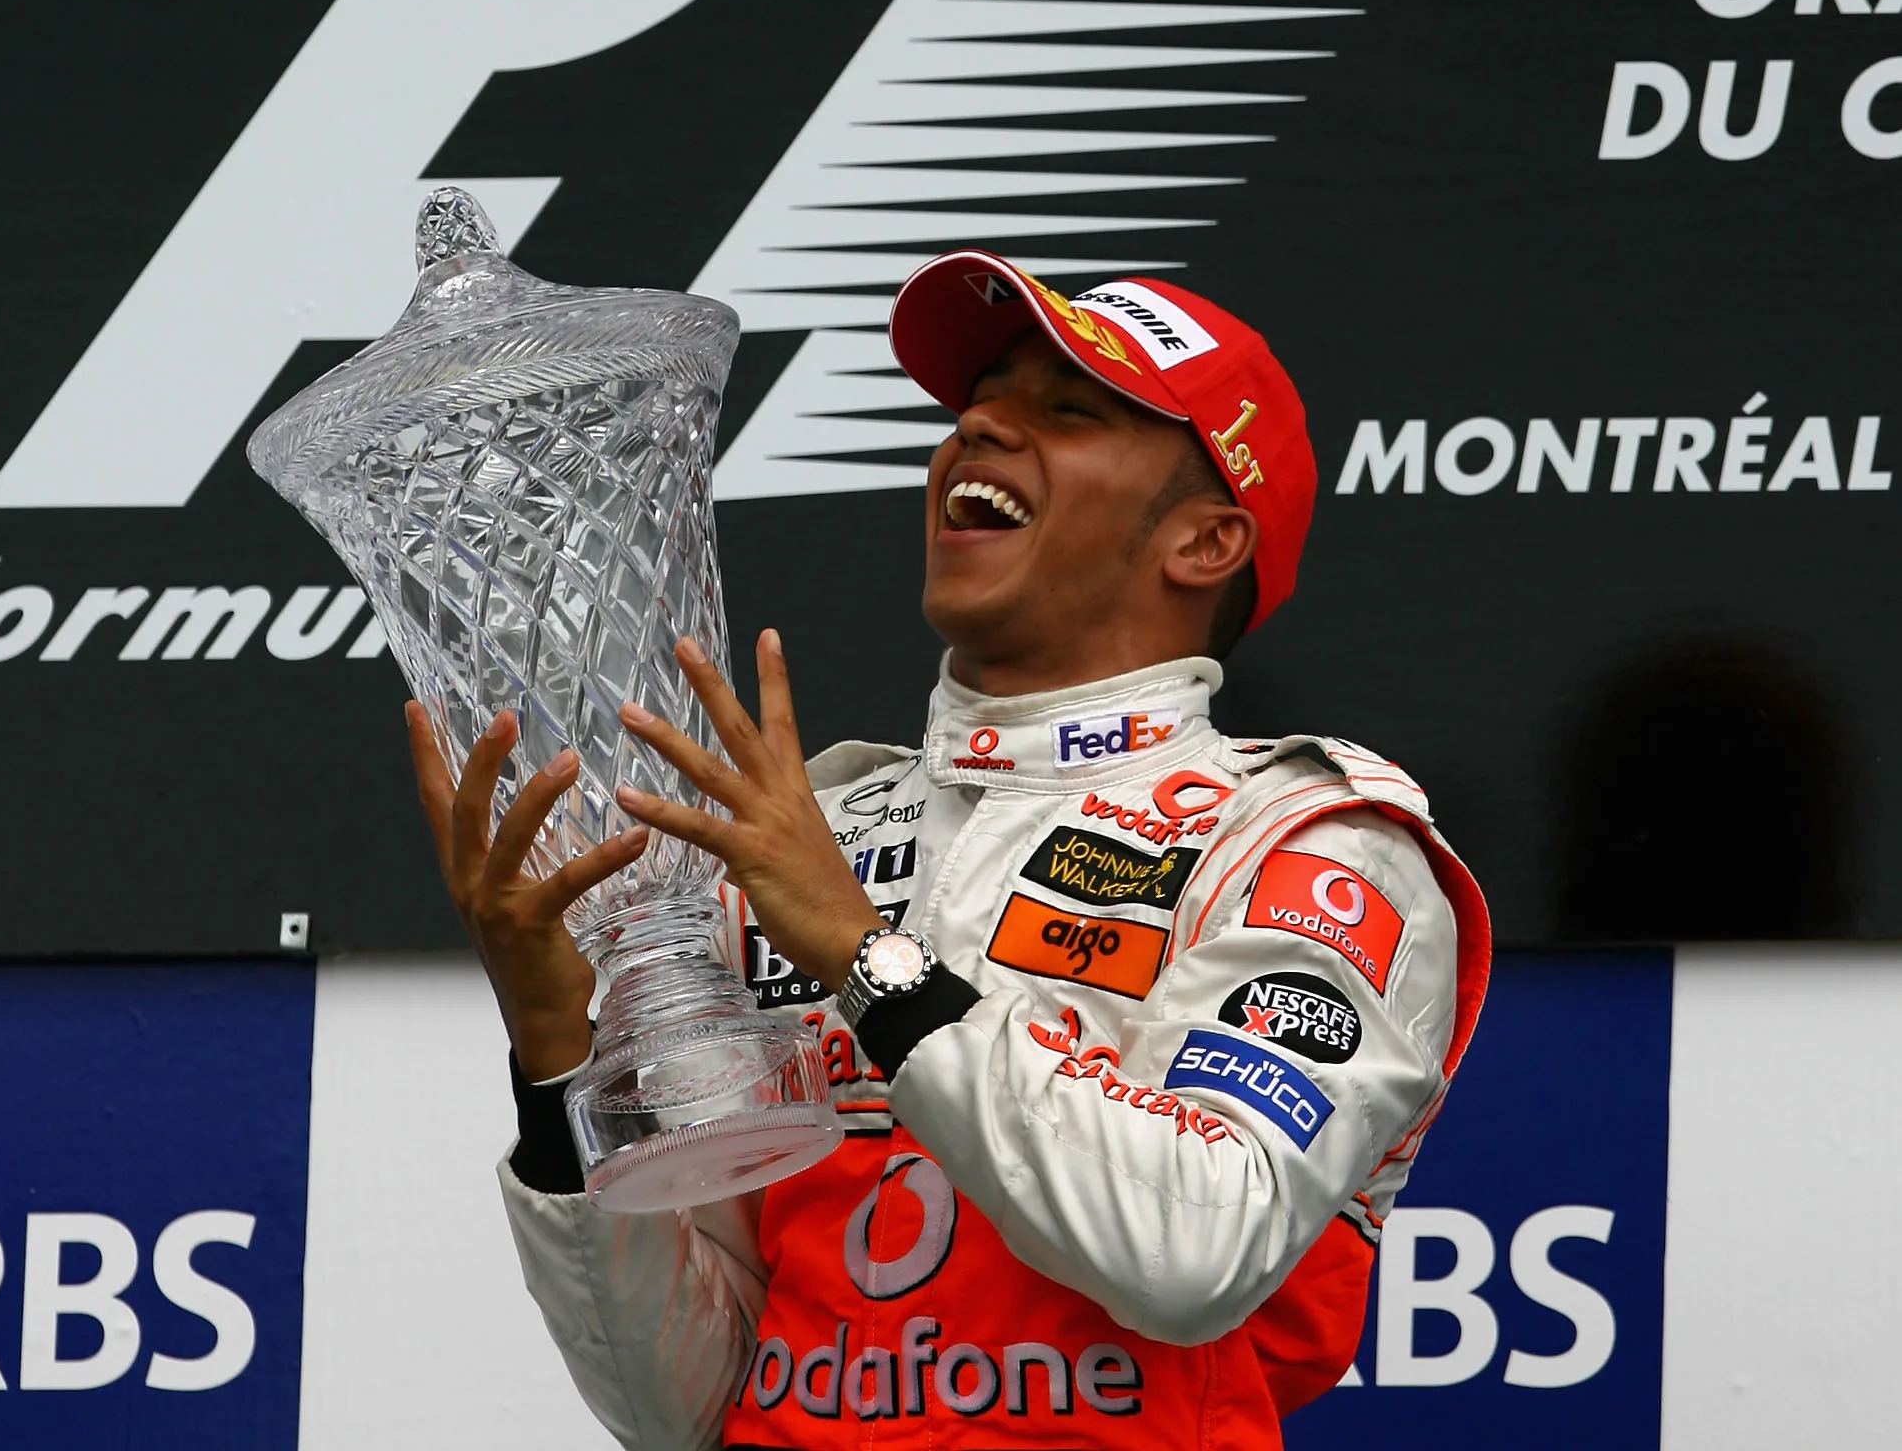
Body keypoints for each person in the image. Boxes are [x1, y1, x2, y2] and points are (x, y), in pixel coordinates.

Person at [405, 250, 1491, 1451]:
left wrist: (865, 959)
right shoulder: (812, 840)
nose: (975, 423)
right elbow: (691, 1404)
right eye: (978, 402)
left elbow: (1198, 1250)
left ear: (1205, 542)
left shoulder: (1305, 846)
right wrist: (559, 1053)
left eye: (1065, 412)